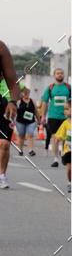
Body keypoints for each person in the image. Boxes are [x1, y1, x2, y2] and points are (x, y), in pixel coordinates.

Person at [0, 40, 20, 190]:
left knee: (5, 144)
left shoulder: (1, 48)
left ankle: (2, 175)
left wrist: (13, 101)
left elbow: (13, 82)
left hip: (2, 106)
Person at [41, 67, 71, 167]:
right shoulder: (50, 88)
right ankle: (55, 159)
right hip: (53, 116)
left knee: (64, 138)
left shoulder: (68, 87)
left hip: (66, 117)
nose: (60, 75)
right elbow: (44, 102)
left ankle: (63, 154)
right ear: (54, 75)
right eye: (58, 73)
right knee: (55, 137)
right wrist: (43, 116)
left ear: (64, 75)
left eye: (61, 73)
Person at [55, 100, 72, 193]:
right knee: (69, 169)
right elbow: (61, 135)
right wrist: (58, 138)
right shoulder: (65, 123)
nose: (65, 111)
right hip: (68, 150)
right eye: (64, 109)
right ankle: (70, 182)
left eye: (67, 109)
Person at [15, 88, 39, 156]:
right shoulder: (19, 101)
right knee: (21, 136)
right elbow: (15, 110)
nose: (26, 94)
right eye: (25, 93)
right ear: (22, 94)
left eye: (27, 93)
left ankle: (31, 150)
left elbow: (36, 111)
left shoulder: (33, 101)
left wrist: (39, 120)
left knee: (30, 134)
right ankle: (20, 150)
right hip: (20, 121)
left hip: (31, 122)